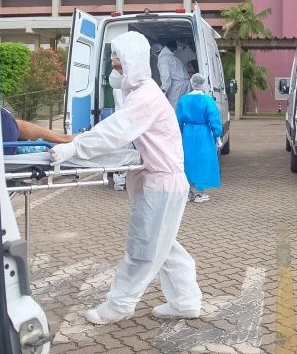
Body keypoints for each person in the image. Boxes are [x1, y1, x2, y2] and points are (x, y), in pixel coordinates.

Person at [49, 31, 201, 324]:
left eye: (119, 66)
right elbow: (120, 135)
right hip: (162, 182)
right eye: (114, 64)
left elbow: (116, 131)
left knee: (143, 248)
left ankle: (119, 306)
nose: (114, 71)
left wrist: (75, 149)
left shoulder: (145, 96)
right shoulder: (139, 93)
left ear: (135, 63)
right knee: (165, 246)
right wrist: (80, 148)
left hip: (161, 185)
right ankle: (185, 301)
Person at [175, 73, 223, 203]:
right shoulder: (208, 100)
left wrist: (177, 136)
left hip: (188, 133)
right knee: (202, 161)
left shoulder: (183, 100)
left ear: (191, 83)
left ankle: (188, 192)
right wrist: (218, 137)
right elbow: (214, 120)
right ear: (203, 85)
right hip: (204, 134)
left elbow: (177, 121)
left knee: (187, 161)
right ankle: (199, 194)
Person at [0, 107, 72, 154]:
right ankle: (67, 139)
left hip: (7, 139)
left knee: (19, 126)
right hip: (6, 146)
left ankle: (66, 139)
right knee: (19, 126)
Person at [153, 41, 192, 108]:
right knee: (185, 107)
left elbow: (165, 75)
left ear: (156, 53)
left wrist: (163, 90)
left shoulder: (163, 59)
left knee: (173, 107)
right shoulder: (171, 57)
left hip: (178, 86)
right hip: (185, 84)